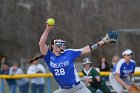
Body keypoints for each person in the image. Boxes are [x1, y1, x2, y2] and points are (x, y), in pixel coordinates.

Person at [38, 21, 117, 93]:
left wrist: (102, 42)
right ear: (52, 45)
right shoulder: (49, 56)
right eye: (58, 43)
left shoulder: (68, 52)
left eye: (62, 43)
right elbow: (41, 43)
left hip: (78, 88)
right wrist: (48, 29)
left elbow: (86, 49)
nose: (61, 45)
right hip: (63, 90)